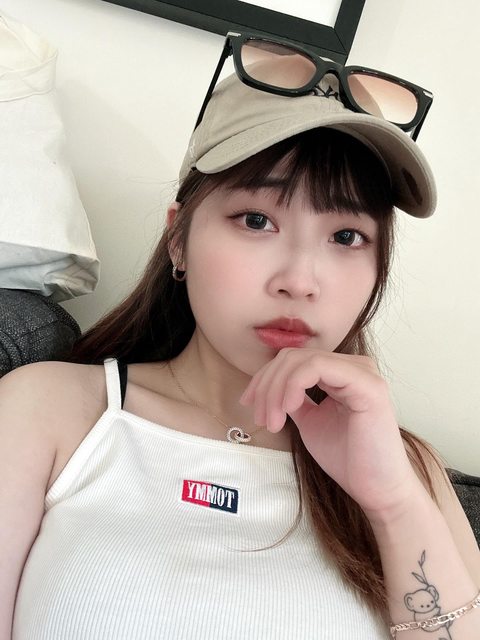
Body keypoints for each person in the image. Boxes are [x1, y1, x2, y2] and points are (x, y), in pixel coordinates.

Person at [1, 31, 479, 640]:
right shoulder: (50, 410)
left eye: (347, 236)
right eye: (257, 220)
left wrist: (392, 502)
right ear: (178, 239)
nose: (300, 280)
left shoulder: (410, 471)